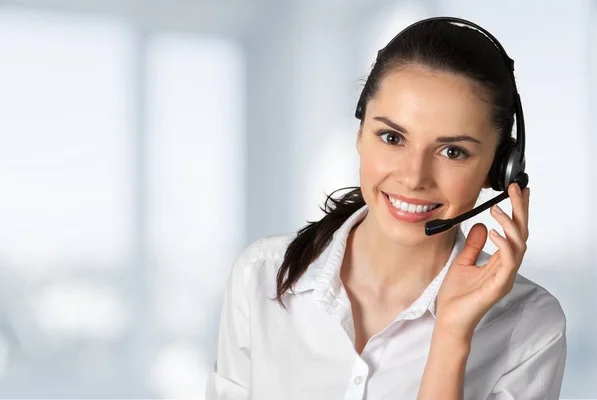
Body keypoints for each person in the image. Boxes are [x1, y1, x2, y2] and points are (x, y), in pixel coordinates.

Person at [206, 17, 567, 400]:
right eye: (392, 137)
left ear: (498, 169)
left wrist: (451, 337)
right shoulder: (261, 274)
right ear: (360, 135)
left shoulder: (530, 326)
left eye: (452, 151)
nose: (414, 177)